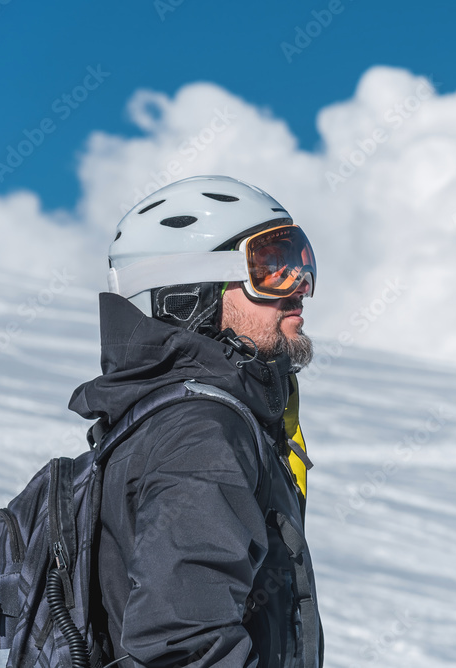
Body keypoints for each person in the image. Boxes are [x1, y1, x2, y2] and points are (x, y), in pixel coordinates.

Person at [68, 175, 324, 667]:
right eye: (273, 267)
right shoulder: (201, 430)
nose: (301, 290)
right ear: (189, 294)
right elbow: (183, 646)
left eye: (302, 262)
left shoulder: (170, 419)